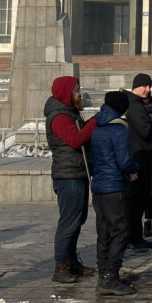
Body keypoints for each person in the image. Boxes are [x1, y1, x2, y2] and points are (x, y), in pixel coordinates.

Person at [45, 75, 97, 284]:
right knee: (69, 221)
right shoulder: (59, 117)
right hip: (69, 176)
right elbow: (75, 140)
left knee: (78, 219)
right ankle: (61, 266)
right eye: (77, 90)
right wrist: (94, 122)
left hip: (77, 173)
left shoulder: (69, 113)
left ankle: (71, 261)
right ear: (67, 94)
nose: (80, 93)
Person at [88, 91, 139, 296]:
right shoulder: (118, 129)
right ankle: (111, 276)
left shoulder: (97, 127)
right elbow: (124, 161)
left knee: (105, 231)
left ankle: (104, 274)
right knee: (120, 231)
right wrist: (134, 169)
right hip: (114, 187)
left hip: (99, 187)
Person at [124, 73, 152, 249]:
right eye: (145, 86)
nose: (148, 89)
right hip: (139, 155)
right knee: (136, 200)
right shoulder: (135, 105)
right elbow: (145, 130)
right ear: (136, 86)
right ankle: (133, 238)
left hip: (143, 155)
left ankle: (135, 236)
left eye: (150, 86)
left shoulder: (141, 103)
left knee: (140, 199)